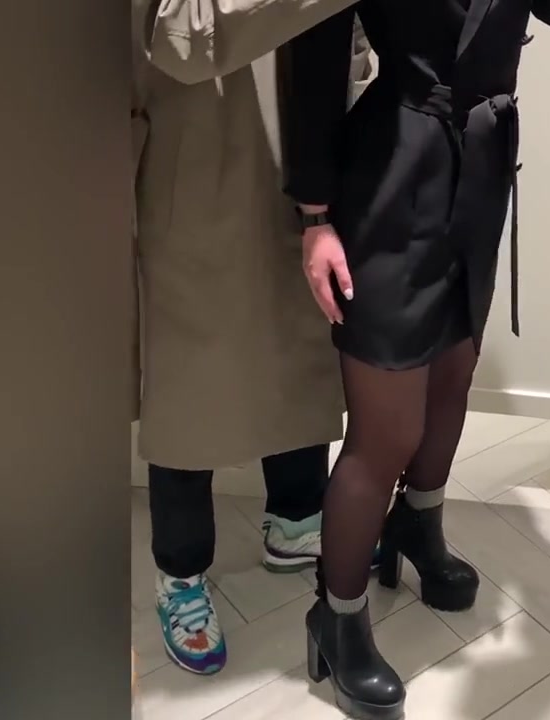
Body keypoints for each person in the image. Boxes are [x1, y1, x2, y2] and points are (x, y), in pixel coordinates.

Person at [282, 1, 550, 717]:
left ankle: (417, 525)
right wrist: (315, 216)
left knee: (454, 375)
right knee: (387, 429)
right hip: (392, 174)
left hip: (483, 166)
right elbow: (314, 57)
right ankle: (337, 616)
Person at [131, 0, 373, 675]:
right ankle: (181, 570)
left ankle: (295, 519)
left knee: (301, 337)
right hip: (191, 156)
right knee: (189, 374)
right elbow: (180, 38)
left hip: (302, 155)